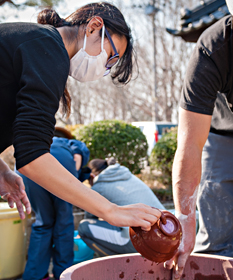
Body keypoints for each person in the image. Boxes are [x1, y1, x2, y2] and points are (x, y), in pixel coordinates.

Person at [0, 1, 162, 245]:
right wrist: (111, 211)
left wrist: (1, 169)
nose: (104, 69)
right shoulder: (48, 48)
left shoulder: (38, 44)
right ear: (94, 26)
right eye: (111, 58)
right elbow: (32, 155)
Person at [164, 2, 233, 279]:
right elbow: (189, 146)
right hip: (221, 133)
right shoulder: (215, 47)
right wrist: (184, 218)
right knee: (216, 231)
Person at [16, 127, 90, 280]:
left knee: (43, 223)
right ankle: (63, 275)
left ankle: (36, 276)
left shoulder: (37, 140)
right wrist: (70, 179)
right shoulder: (71, 143)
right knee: (63, 224)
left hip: (29, 168)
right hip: (62, 166)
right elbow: (77, 156)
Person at [78, 158, 166, 257]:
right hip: (166, 234)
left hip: (141, 241)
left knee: (83, 227)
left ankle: (121, 262)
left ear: (92, 176)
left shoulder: (98, 186)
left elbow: (90, 218)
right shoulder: (128, 176)